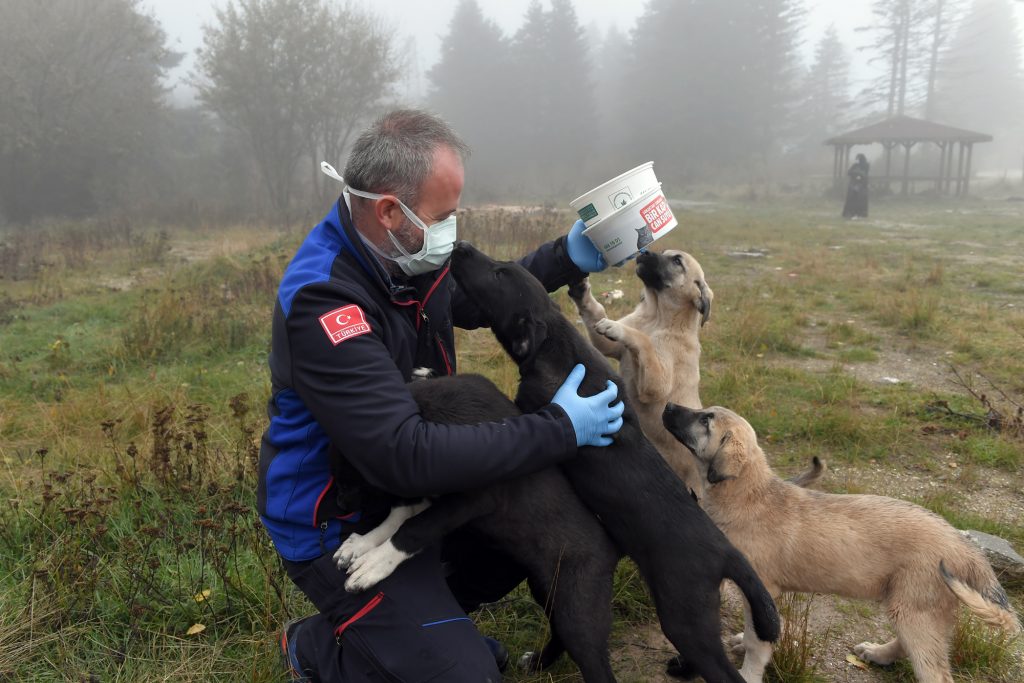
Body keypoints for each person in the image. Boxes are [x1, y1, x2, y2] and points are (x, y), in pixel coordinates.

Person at [258, 109, 625, 682]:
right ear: (388, 210)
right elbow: (405, 455)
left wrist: (566, 257)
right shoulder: (326, 304)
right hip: (340, 517)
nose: (453, 232)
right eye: (445, 216)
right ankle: (321, 648)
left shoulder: (402, 251)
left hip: (415, 493)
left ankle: (420, 623)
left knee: (544, 522)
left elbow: (475, 299)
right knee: (472, 676)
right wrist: (557, 427)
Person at [842, 153, 870, 219]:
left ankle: (860, 213)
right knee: (852, 199)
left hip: (862, 185)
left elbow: (865, 174)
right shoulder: (855, 165)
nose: (858, 160)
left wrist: (859, 175)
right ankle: (850, 213)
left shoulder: (866, 165)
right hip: (854, 185)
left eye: (859, 159)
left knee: (861, 200)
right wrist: (855, 174)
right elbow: (849, 172)